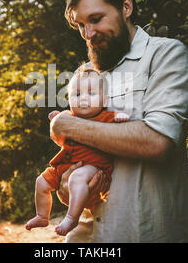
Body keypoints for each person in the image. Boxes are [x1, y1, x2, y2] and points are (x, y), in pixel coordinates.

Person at [49, 0, 188, 242]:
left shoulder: (165, 55)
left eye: (96, 19)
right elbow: (65, 185)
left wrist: (67, 125)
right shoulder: (88, 78)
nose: (88, 33)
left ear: (126, 7)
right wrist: (70, 184)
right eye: (81, 24)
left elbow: (158, 141)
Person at [25, 67, 129, 236]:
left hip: (93, 166)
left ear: (104, 100)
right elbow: (59, 125)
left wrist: (119, 117)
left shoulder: (105, 116)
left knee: (77, 177)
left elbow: (118, 120)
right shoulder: (69, 116)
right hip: (64, 164)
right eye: (77, 94)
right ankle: (42, 215)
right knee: (41, 182)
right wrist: (56, 117)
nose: (83, 99)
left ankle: (72, 217)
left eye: (91, 94)